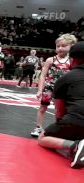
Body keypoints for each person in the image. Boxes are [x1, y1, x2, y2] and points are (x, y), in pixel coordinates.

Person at [37, 41, 84, 169]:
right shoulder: (52, 62)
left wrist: (63, 130)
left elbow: (59, 111)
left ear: (72, 60)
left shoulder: (66, 78)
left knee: (42, 139)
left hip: (76, 120)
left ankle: (75, 145)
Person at [31, 34, 77, 137]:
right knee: (43, 107)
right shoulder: (50, 60)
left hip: (64, 90)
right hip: (49, 88)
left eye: (64, 46)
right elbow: (42, 76)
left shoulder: (72, 61)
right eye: (58, 46)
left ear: (71, 46)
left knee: (59, 110)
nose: (60, 48)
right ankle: (38, 127)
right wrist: (39, 90)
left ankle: (58, 129)